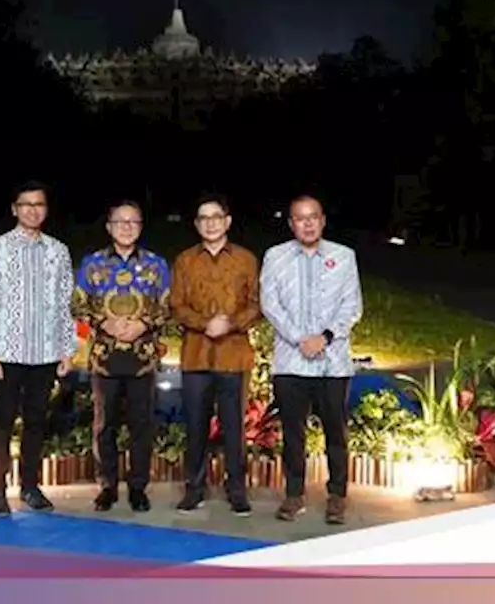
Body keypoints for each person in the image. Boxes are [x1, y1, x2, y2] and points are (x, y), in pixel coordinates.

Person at [0, 181, 78, 517]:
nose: (33, 209)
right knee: (3, 420)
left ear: (46, 210)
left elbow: (65, 304)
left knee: (36, 421)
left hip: (45, 353)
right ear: (14, 209)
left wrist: (66, 349)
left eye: (39, 204)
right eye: (26, 204)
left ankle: (30, 486)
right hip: (8, 352)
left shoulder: (57, 251)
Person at [259, 195, 363, 525]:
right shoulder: (275, 256)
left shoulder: (344, 257)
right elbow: (269, 303)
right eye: (299, 218)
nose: (307, 223)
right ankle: (294, 494)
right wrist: (299, 339)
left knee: (336, 431)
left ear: (322, 220)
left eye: (313, 217)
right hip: (291, 362)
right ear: (291, 223)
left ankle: (336, 495)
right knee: (293, 432)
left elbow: (352, 305)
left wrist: (325, 337)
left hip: (332, 362)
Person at [72, 200, 171, 513]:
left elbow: (168, 305)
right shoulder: (92, 264)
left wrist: (143, 323)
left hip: (143, 358)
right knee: (105, 425)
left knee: (142, 425)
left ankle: (139, 487)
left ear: (140, 227)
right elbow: (78, 305)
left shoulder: (156, 265)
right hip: (105, 358)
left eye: (133, 222)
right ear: (109, 226)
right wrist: (105, 322)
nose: (127, 227)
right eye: (120, 222)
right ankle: (107, 486)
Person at [169, 194, 260, 516]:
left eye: (216, 216)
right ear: (196, 224)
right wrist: (205, 324)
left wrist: (231, 324)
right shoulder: (184, 261)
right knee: (195, 426)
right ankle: (194, 488)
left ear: (227, 221)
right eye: (203, 218)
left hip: (233, 356)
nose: (210, 223)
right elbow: (176, 305)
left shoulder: (246, 260)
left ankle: (236, 489)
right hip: (196, 355)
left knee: (234, 428)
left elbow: (257, 303)